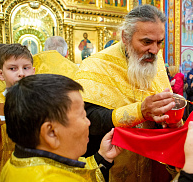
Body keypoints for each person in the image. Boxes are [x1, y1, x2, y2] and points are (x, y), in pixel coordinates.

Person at [74, 5, 175, 181]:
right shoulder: (96, 65)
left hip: (150, 164)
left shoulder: (156, 62)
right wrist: (140, 112)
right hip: (111, 163)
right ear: (125, 37)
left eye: (159, 42)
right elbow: (88, 118)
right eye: (147, 42)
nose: (155, 50)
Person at [0, 74, 122, 182]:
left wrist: (103, 157)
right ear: (51, 132)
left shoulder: (17, 161)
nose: (88, 123)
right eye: (82, 115)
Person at [0, 43, 35, 182]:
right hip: (3, 174)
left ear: (33, 71)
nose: (21, 73)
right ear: (0, 73)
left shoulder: (45, 103)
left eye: (26, 68)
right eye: (13, 68)